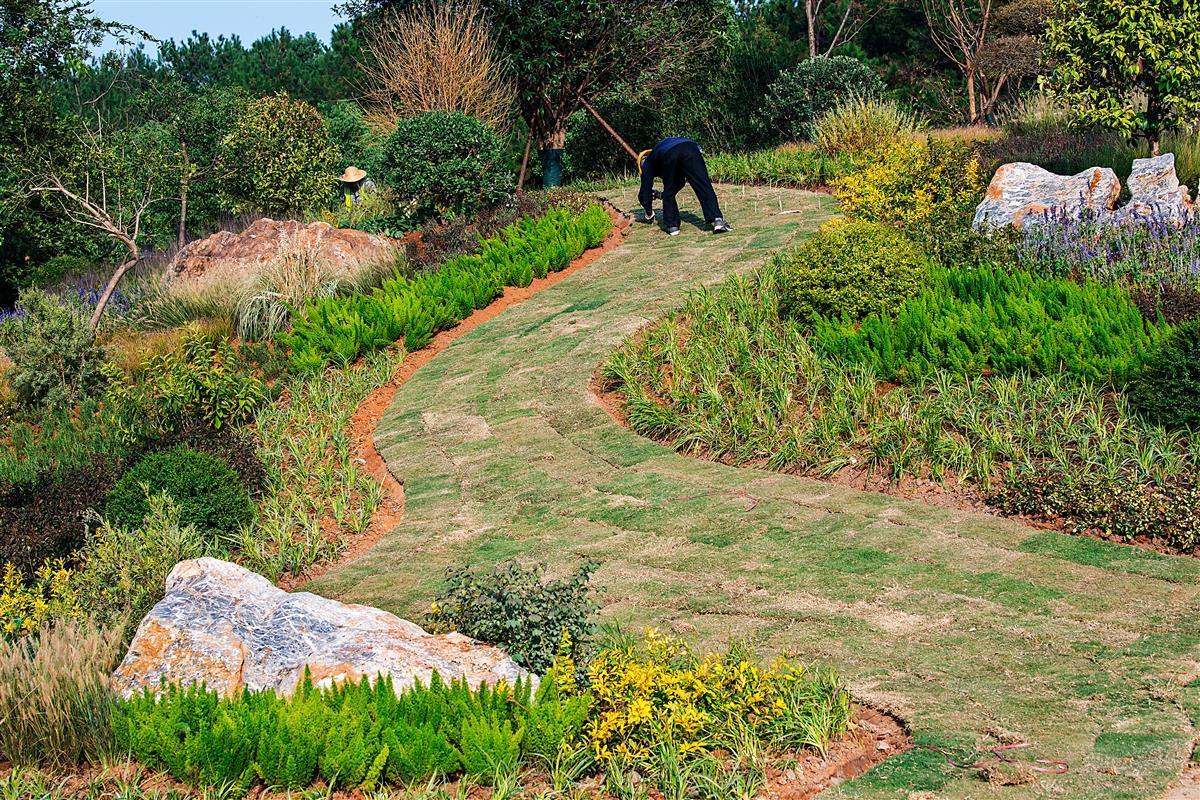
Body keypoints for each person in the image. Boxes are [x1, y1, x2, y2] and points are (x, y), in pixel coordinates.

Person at [638, 137, 730, 236]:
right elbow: (678, 183)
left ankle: (672, 227)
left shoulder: (647, 162)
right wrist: (660, 195)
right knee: (703, 185)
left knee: (669, 193)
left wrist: (649, 213)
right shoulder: (660, 149)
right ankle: (718, 220)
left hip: (670, 154)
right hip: (691, 148)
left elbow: (644, 193)